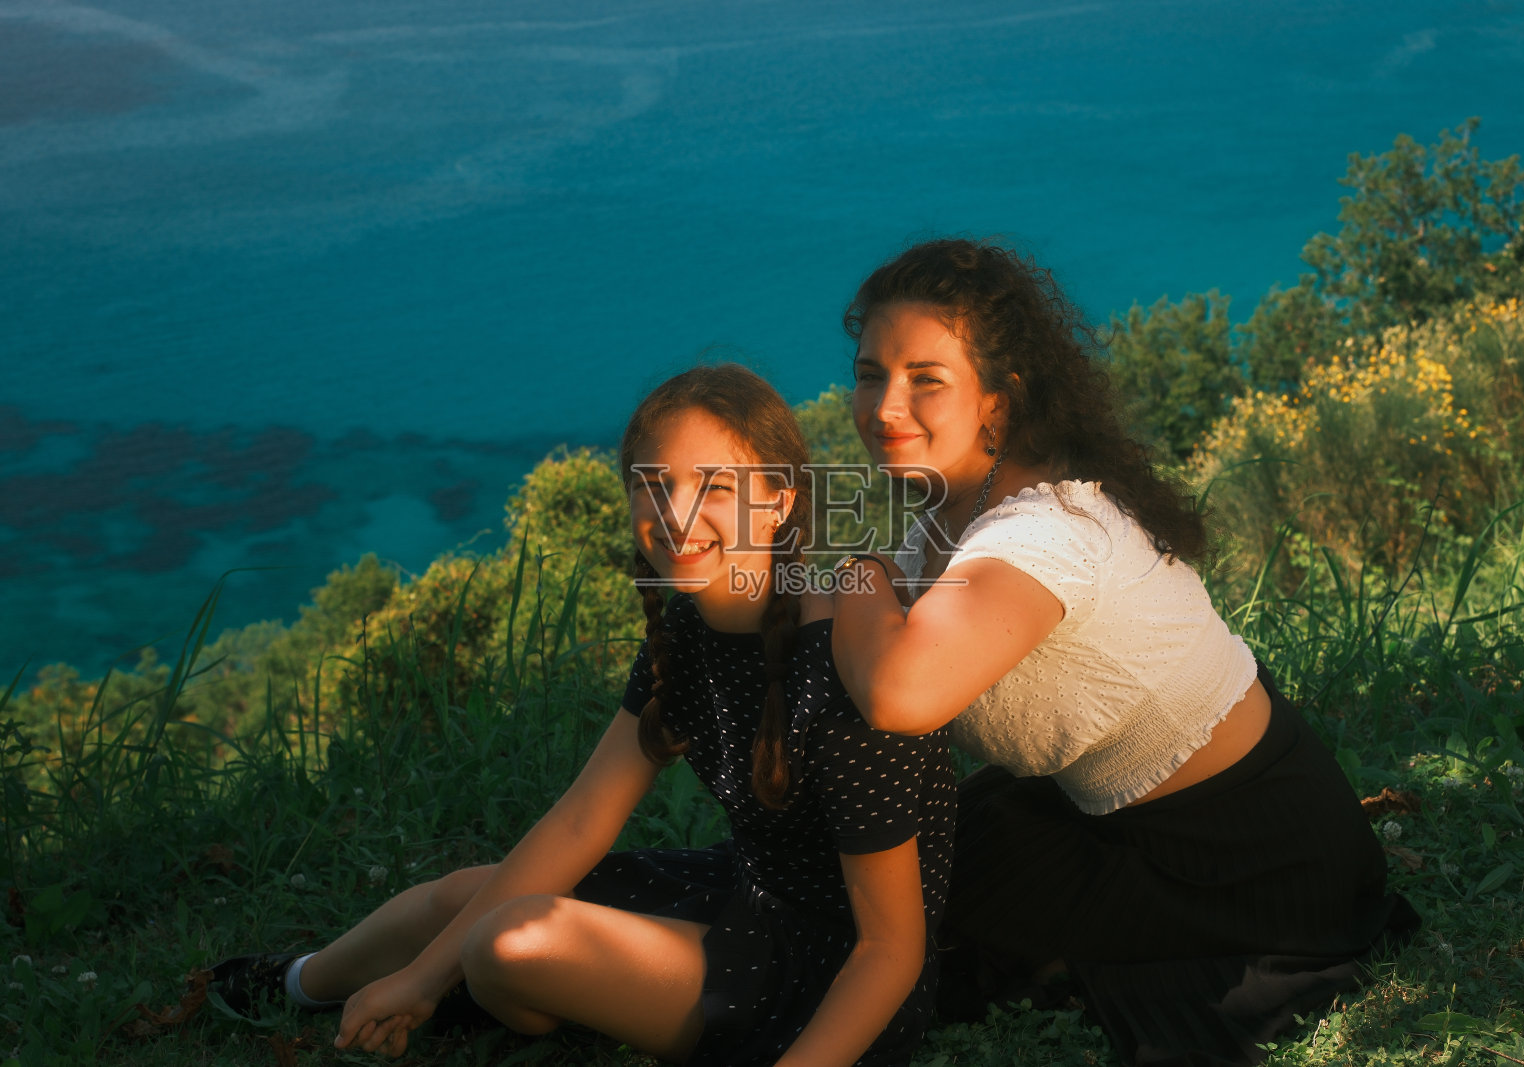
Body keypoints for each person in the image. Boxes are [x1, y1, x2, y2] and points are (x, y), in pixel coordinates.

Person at [208, 364, 955, 1066]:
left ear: (782, 498)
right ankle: (301, 983)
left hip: (832, 978)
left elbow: (891, 949)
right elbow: (579, 821)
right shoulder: (690, 631)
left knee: (506, 939)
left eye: (716, 486)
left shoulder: (846, 668)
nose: (675, 513)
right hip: (744, 894)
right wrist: (419, 976)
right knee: (457, 896)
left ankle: (490, 994)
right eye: (653, 484)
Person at [826, 238, 1417, 1066]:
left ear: (999, 402)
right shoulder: (956, 507)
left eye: (926, 379)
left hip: (1251, 866)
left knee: (899, 921)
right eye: (868, 373)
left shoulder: (1043, 533)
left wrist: (850, 567)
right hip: (1118, 822)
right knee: (874, 887)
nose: (885, 405)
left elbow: (896, 691)